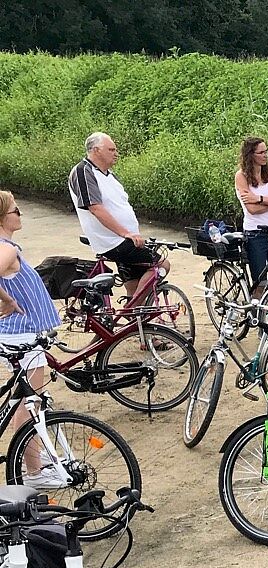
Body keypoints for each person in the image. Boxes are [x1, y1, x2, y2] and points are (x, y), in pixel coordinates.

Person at [0, 191, 64, 486]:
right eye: (16, 210)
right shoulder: (7, 250)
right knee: (30, 404)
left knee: (27, 401)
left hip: (20, 334)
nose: (20, 214)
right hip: (22, 336)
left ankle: (35, 464)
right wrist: (9, 301)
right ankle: (35, 472)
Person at [68, 132, 166, 296]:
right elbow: (95, 208)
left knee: (134, 284)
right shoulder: (83, 171)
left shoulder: (110, 175)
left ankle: (133, 309)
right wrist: (125, 233)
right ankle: (135, 309)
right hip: (113, 241)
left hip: (127, 239)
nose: (116, 154)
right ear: (96, 150)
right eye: (111, 150)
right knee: (161, 265)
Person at [234, 137, 268, 291]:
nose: (265, 155)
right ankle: (257, 306)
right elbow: (252, 209)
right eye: (261, 152)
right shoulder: (241, 176)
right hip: (255, 233)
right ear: (251, 155)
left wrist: (259, 199)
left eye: (266, 151)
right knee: (260, 280)